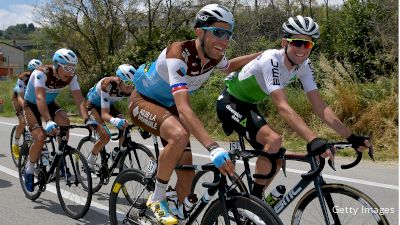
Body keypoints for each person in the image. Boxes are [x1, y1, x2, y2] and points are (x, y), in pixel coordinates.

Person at [128, 4, 261, 224]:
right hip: (143, 101)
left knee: (187, 175)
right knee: (179, 135)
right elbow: (184, 109)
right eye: (218, 32)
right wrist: (213, 147)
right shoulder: (178, 53)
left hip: (169, 108)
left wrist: (261, 54)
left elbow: (229, 66)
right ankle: (157, 198)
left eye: (228, 34)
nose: (224, 40)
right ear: (200, 31)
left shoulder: (215, 55)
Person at [216, 15, 372, 199]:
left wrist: (351, 136)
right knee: (274, 140)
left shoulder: (304, 66)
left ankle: (255, 200)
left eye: (307, 44)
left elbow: (319, 105)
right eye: (297, 42)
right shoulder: (271, 60)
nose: (302, 49)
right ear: (285, 42)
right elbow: (282, 106)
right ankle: (254, 205)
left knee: (278, 158)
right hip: (230, 102)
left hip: (249, 105)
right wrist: (312, 139)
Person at [22, 48, 95, 192]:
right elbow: (40, 98)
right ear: (56, 65)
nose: (71, 72)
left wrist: (87, 119)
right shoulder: (41, 73)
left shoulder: (71, 77)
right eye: (67, 68)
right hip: (31, 105)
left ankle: (60, 156)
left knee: (64, 122)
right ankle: (29, 169)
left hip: (49, 104)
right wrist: (48, 120)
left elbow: (79, 99)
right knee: (41, 137)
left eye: (73, 68)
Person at [85, 64, 135, 170]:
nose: (130, 87)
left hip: (108, 105)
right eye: (128, 83)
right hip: (93, 106)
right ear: (119, 80)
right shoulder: (107, 84)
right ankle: (90, 159)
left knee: (125, 128)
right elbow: (104, 114)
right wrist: (115, 121)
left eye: (133, 83)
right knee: (105, 136)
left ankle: (118, 158)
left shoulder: (128, 88)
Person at [11, 59, 42, 160]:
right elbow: (20, 96)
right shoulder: (23, 77)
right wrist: (25, 109)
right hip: (18, 98)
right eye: (34, 71)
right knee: (23, 121)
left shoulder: (41, 77)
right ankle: (15, 144)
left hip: (30, 99)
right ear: (30, 71)